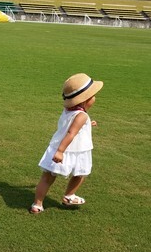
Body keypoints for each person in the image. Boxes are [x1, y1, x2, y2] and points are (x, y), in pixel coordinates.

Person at [29, 73, 104, 214]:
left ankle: (37, 204)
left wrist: (88, 123)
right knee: (80, 175)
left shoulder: (69, 110)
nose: (95, 98)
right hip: (74, 150)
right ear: (84, 101)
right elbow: (71, 133)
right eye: (92, 96)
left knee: (47, 178)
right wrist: (60, 151)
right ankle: (69, 196)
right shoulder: (82, 116)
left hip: (58, 146)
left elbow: (72, 123)